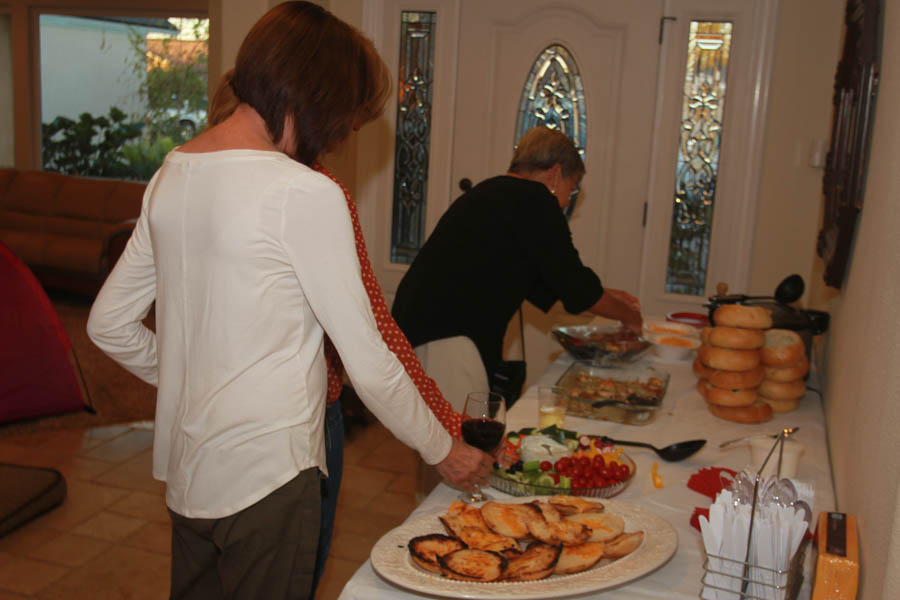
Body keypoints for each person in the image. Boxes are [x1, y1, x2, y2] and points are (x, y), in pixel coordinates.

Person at [86, 3, 491, 599]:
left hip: (188, 476)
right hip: (268, 479)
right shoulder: (302, 192)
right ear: (320, 93)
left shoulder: (173, 172)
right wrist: (444, 449)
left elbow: (108, 324)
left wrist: (189, 381)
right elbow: (369, 359)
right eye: (346, 114)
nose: (346, 131)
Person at [206, 67, 467, 595]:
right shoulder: (317, 191)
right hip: (297, 437)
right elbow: (376, 333)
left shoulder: (189, 183)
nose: (343, 134)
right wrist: (447, 432)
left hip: (210, 430)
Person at [392, 126, 643, 394]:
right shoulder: (536, 201)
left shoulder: (493, 192)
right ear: (555, 174)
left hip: (421, 337)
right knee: (458, 434)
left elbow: (553, 283)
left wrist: (608, 296)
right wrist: (631, 317)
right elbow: (577, 289)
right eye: (571, 190)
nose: (567, 203)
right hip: (449, 344)